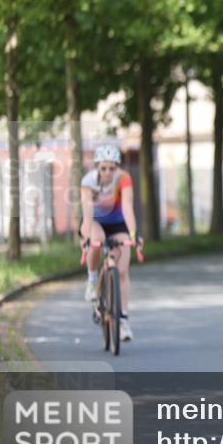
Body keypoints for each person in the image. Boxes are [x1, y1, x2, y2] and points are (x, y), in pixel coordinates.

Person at [80, 145, 138, 342]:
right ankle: (93, 279)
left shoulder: (124, 179)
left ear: (117, 168)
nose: (107, 172)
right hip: (95, 222)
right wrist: (86, 237)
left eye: (112, 168)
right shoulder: (88, 182)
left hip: (117, 223)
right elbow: (87, 214)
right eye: (103, 168)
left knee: (122, 272)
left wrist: (133, 234)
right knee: (97, 240)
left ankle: (123, 321)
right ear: (97, 167)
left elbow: (128, 208)